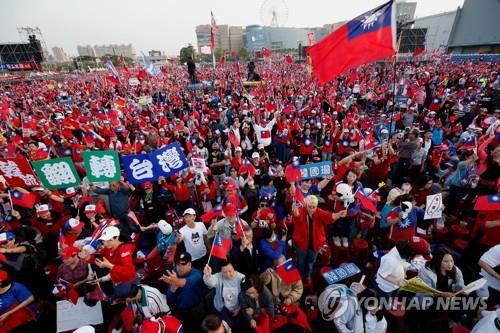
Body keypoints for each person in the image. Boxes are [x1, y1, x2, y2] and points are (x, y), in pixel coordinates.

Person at [290, 193, 347, 283]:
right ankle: (300, 276)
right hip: (302, 244)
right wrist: (295, 213)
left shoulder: (319, 212)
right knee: (301, 262)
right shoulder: (301, 211)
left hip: (315, 244)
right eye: (309, 206)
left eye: (314, 207)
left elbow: (328, 216)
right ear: (306, 205)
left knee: (310, 262)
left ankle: (307, 275)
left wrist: (338, 214)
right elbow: (298, 217)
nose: (311, 209)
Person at [162, 252, 204, 333]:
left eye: (182, 265)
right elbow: (170, 297)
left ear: (189, 265)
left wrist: (175, 281)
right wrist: (173, 287)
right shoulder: (174, 273)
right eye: (178, 264)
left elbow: (187, 283)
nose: (179, 268)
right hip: (180, 311)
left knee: (198, 328)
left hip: (195, 310)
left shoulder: (197, 274)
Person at [203, 261, 245, 328]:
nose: (228, 275)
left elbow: (245, 296)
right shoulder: (218, 277)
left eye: (230, 271)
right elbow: (210, 282)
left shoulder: (242, 278)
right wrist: (207, 275)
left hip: (236, 309)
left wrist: (239, 308)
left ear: (234, 268)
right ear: (220, 272)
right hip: (219, 309)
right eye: (224, 272)